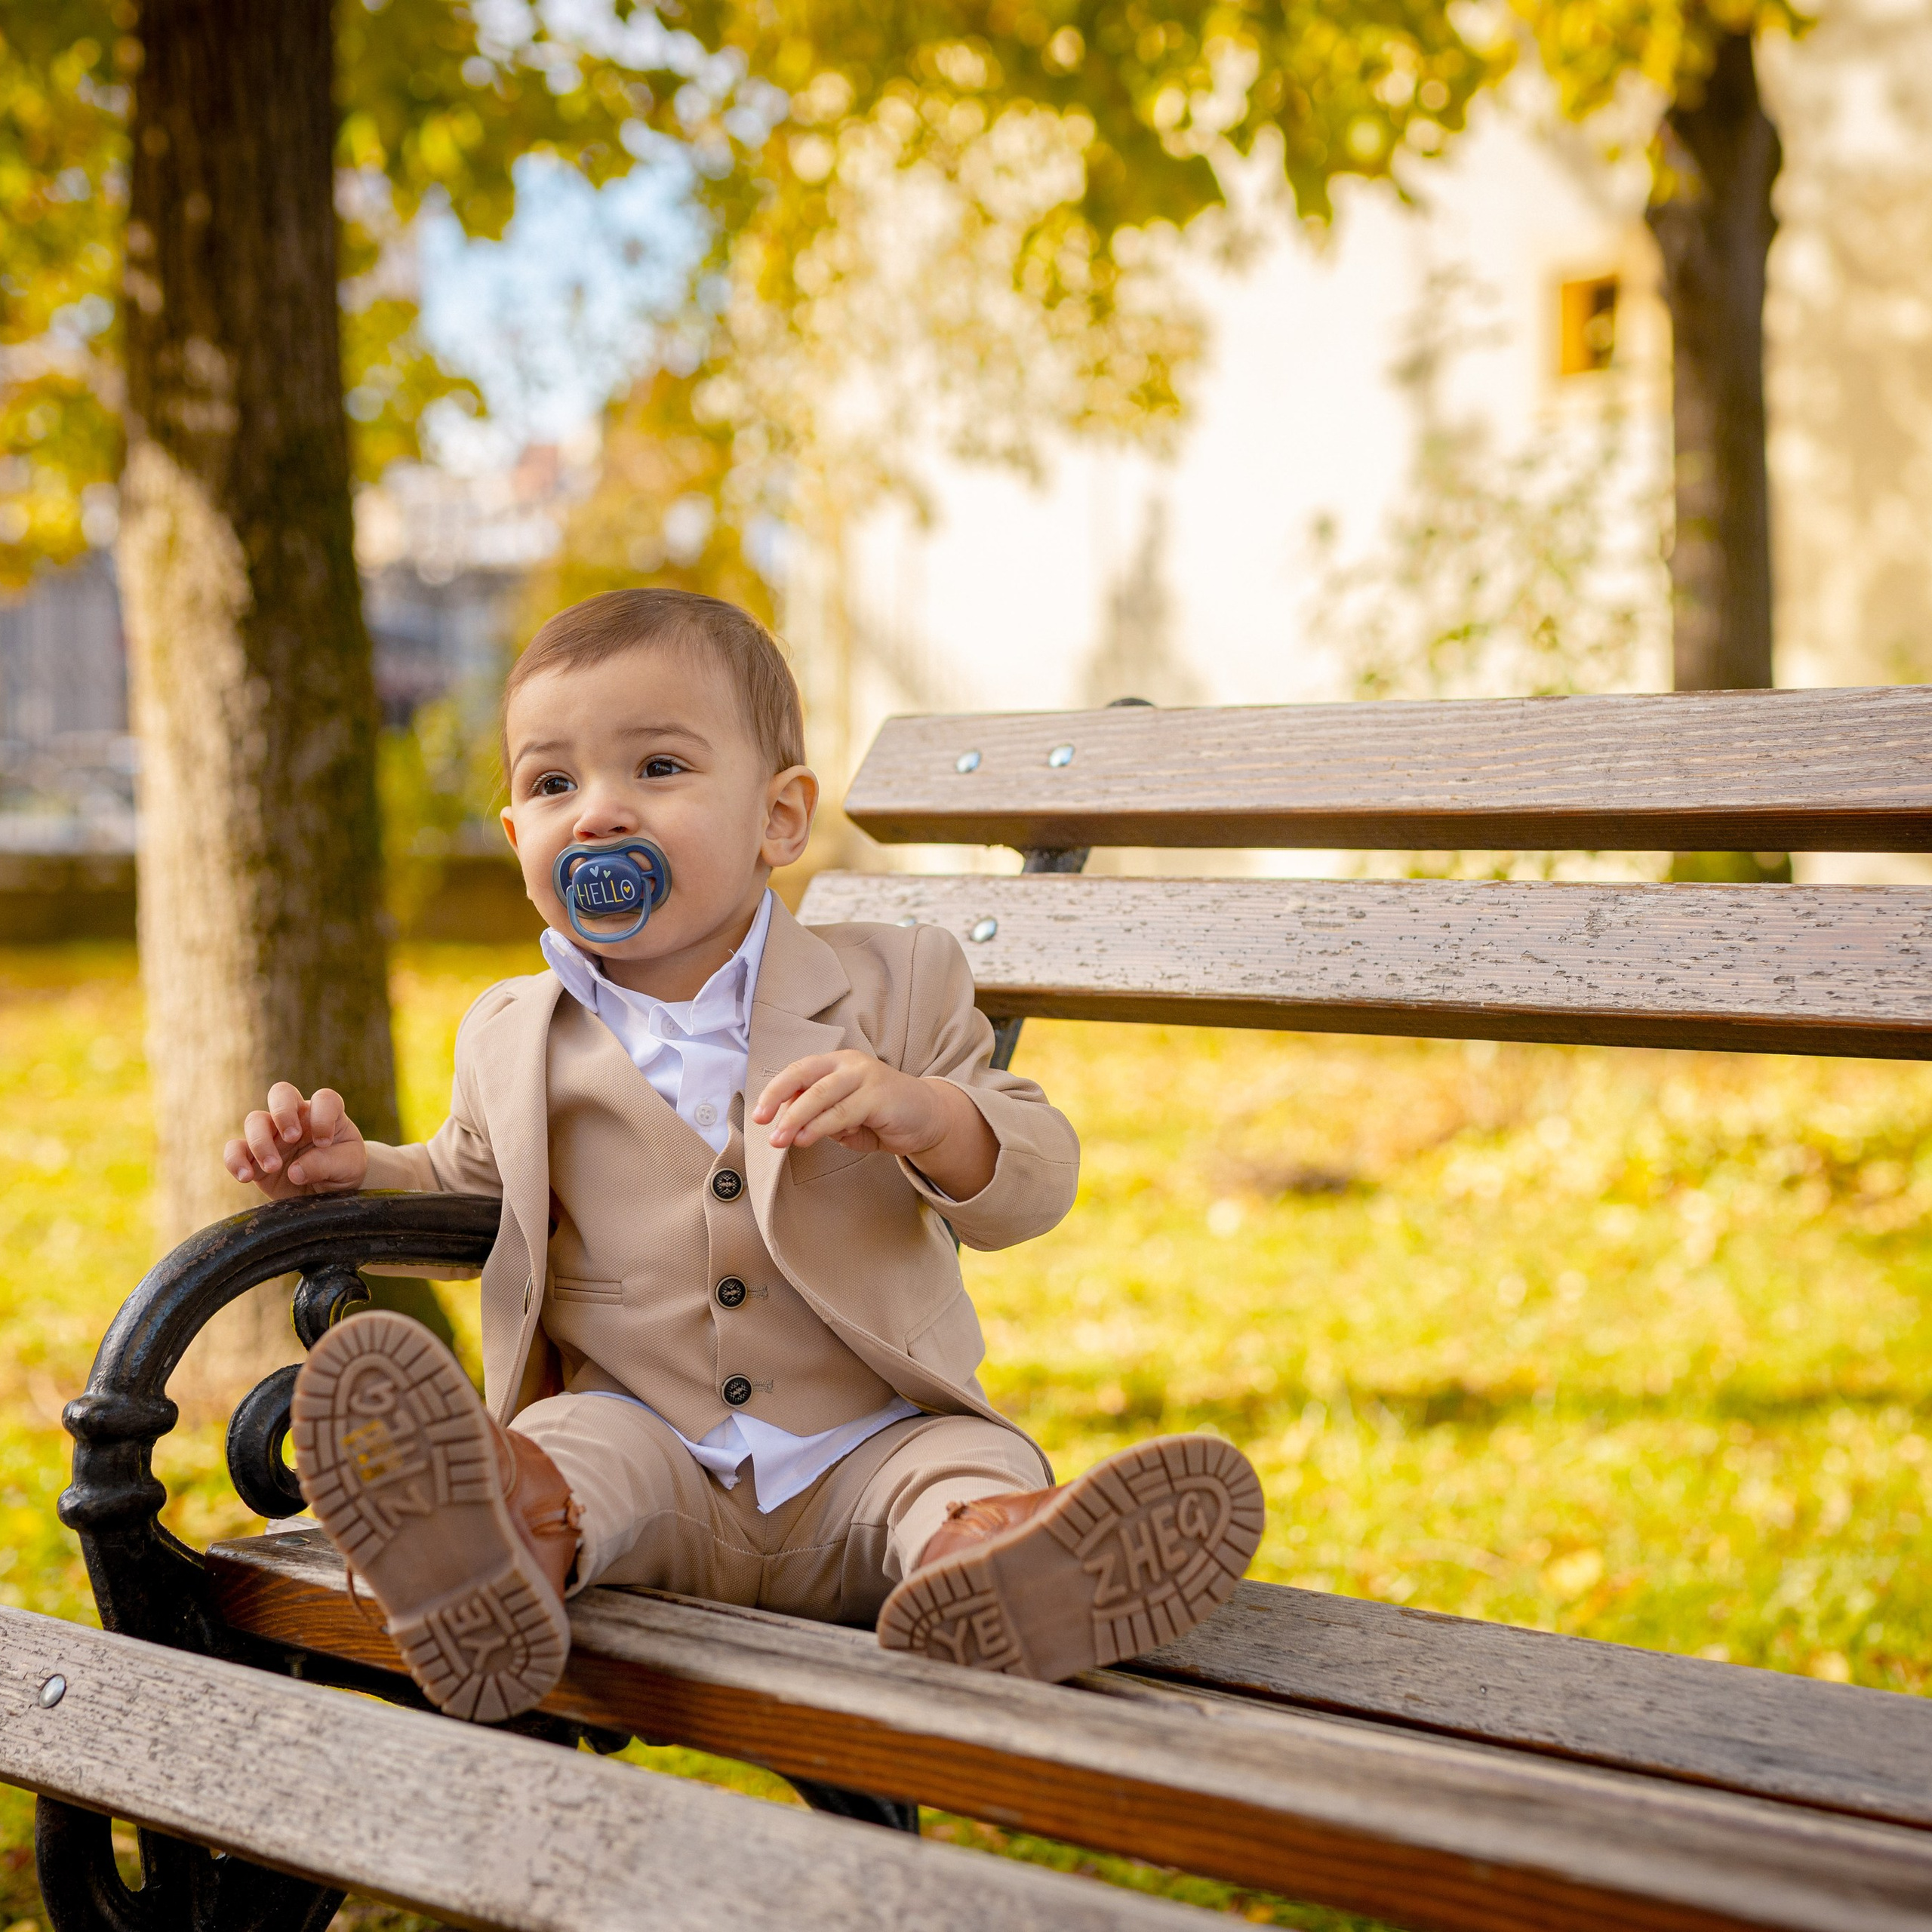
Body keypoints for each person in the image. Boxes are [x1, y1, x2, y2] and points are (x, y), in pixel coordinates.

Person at [224, 588, 1264, 1724]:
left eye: (658, 768)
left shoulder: (892, 984)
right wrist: (358, 1170)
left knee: (963, 1468)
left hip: (868, 1448)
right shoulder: (511, 1032)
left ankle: (998, 1570)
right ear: (518, 834)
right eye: (553, 783)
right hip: (646, 1457)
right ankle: (491, 1545)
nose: (601, 813)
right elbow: (476, 1190)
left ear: (778, 819)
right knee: (567, 1447)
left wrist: (924, 1114)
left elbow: (1035, 1174)